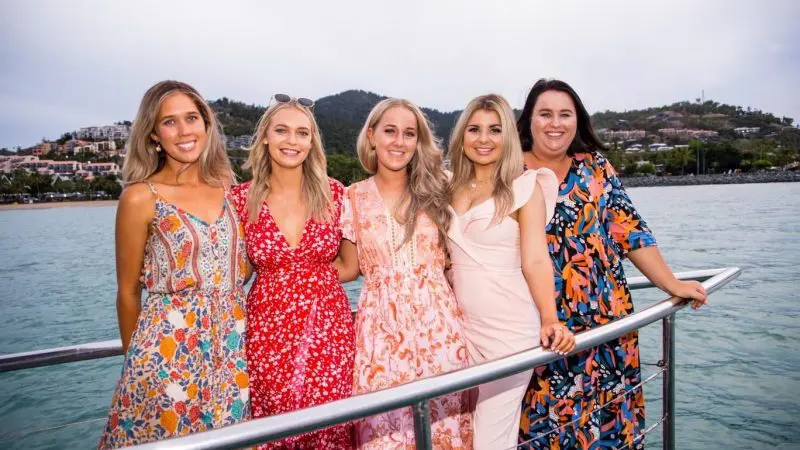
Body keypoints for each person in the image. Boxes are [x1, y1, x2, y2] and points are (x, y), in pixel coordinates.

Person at [516, 79, 707, 449]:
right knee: (544, 427)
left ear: (577, 121)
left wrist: (671, 284)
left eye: (564, 115)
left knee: (608, 428)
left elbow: (630, 231)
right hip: (542, 324)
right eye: (545, 114)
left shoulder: (595, 166)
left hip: (608, 321)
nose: (555, 123)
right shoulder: (509, 170)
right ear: (528, 121)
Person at [98, 80, 249, 449]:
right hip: (166, 352)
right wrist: (141, 367)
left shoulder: (231, 189)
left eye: (192, 118)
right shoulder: (140, 197)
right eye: (170, 122)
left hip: (231, 349)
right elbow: (128, 292)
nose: (184, 131)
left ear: (207, 125)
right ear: (153, 134)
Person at [338, 98, 472, 449]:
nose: (399, 141)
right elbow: (348, 268)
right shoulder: (350, 198)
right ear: (371, 136)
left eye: (409, 133)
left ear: (418, 141)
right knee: (385, 433)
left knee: (446, 432)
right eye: (390, 131)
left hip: (439, 329)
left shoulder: (441, 189)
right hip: (380, 336)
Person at [446, 94, 576, 450]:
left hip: (508, 330)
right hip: (456, 331)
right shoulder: (445, 187)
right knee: (459, 433)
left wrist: (550, 318)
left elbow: (535, 259)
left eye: (495, 130)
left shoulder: (525, 187)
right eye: (474, 129)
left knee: (490, 439)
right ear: (462, 136)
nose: (484, 139)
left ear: (508, 138)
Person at [229, 95, 355, 449]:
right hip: (267, 333)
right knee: (274, 429)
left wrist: (308, 279)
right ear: (265, 137)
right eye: (282, 131)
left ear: (311, 142)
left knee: (329, 425)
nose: (292, 141)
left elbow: (350, 266)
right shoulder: (241, 200)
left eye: (302, 133)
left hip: (328, 330)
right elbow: (237, 272)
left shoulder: (334, 194)